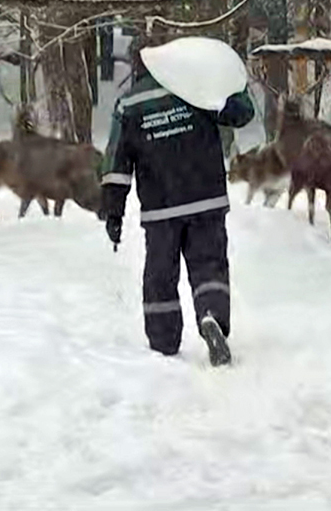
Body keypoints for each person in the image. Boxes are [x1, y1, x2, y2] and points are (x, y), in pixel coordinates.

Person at [100, 54, 255, 366]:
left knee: (160, 274)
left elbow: (117, 161)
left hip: (161, 208)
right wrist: (233, 87)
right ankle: (211, 316)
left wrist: (113, 211)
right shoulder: (195, 87)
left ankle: (164, 344)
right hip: (206, 199)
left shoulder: (130, 103)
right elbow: (240, 114)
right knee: (209, 265)